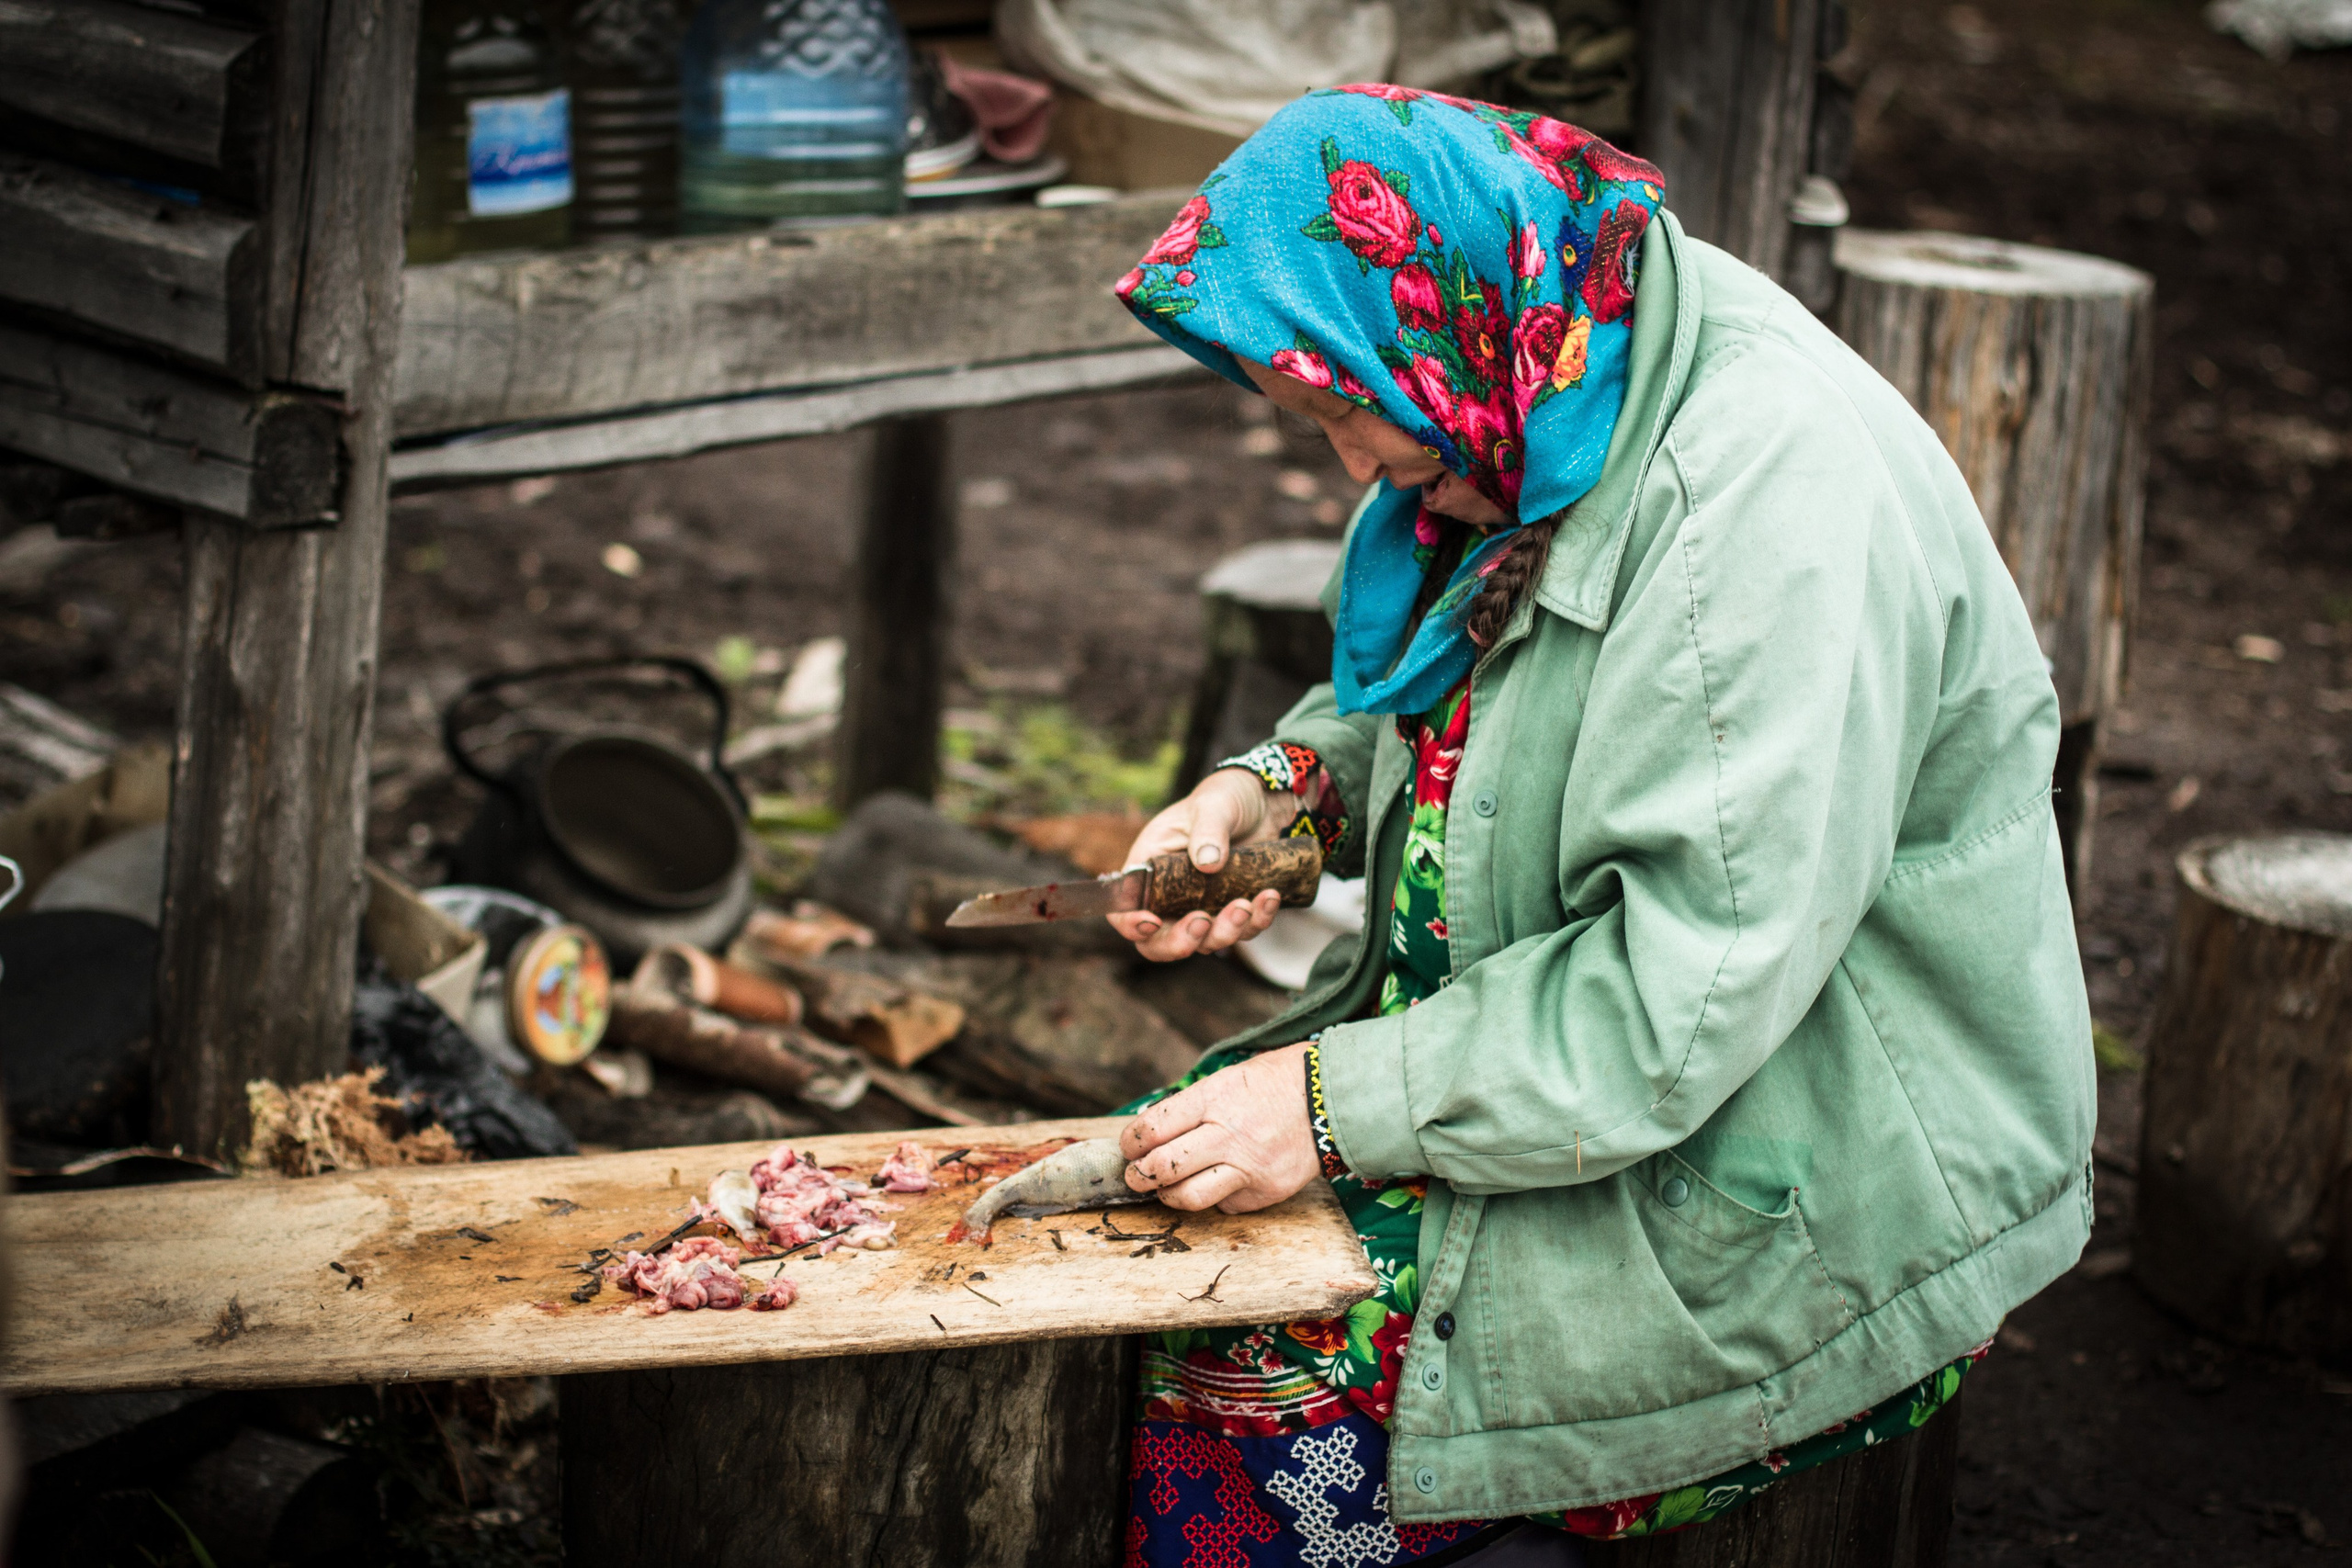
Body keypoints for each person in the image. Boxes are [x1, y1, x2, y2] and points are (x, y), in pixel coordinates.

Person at [1100, 86, 2097, 1566]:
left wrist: (1324, 1103)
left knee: (1250, 1383)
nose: (1347, 469)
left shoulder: (1750, 518)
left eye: (1341, 413)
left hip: (1794, 1151)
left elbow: (1680, 996)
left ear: (1428, 317)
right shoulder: (1551, 359)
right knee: (1145, 1251)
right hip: (1572, 1074)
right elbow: (1461, 677)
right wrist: (1279, 790)